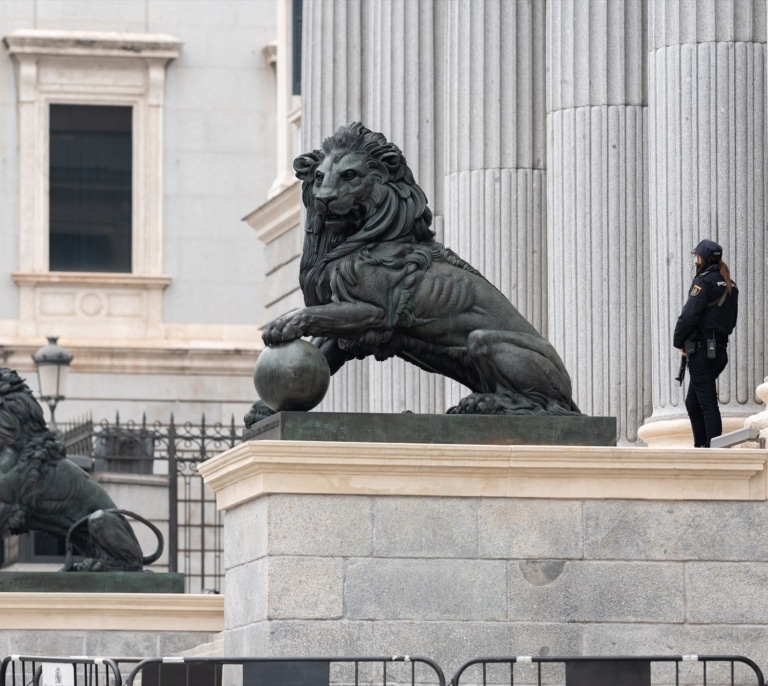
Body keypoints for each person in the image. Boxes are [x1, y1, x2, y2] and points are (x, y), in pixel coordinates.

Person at [673, 239, 739, 447]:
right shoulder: (730, 284)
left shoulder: (704, 281)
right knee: (693, 402)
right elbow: (732, 320)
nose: (695, 260)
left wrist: (678, 341)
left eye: (696, 256)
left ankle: (713, 451)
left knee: (707, 403)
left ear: (702, 258)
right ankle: (701, 447)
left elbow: (688, 315)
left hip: (702, 353)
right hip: (718, 352)